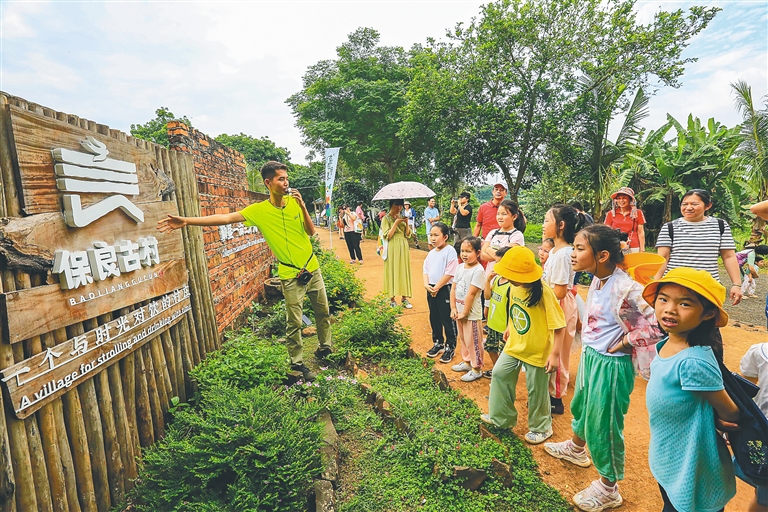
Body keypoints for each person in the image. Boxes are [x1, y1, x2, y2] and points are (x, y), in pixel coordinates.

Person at [156, 161, 331, 381]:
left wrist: (303, 207)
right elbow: (225, 218)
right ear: (268, 183)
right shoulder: (258, 211)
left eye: (286, 178)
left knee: (323, 311)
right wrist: (187, 221)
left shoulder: (295, 203)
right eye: (281, 179)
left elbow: (311, 231)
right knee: (294, 322)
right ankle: (297, 364)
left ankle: (325, 348)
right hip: (290, 275)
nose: (286, 183)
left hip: (312, 267)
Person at [544, 225, 664, 512]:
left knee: (606, 423)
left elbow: (659, 323)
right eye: (573, 247)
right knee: (583, 407)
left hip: (611, 366)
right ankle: (576, 447)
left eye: (579, 248)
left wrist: (627, 341)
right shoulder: (599, 278)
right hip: (593, 357)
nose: (573, 254)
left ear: (603, 255)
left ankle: (609, 487)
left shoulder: (626, 287)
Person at [644, 268, 738, 512]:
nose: (670, 309)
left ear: (707, 313)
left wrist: (719, 419)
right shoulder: (669, 343)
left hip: (692, 463)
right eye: (663, 299)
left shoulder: (692, 362)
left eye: (684, 304)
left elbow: (731, 412)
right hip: (671, 455)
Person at [481, 246, 565, 445]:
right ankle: (501, 418)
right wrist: (510, 327)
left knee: (536, 389)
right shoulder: (512, 286)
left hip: (538, 349)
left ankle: (541, 427)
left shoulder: (544, 292)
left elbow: (559, 325)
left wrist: (554, 355)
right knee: (500, 373)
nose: (509, 279)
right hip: (515, 344)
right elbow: (513, 308)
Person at [654, 189, 743, 305]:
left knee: (707, 319)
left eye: (694, 204)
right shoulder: (670, 227)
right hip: (674, 284)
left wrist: (736, 284)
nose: (688, 208)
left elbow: (729, 257)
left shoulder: (720, 225)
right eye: (685, 204)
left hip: (707, 287)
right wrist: (655, 285)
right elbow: (662, 258)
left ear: (708, 206)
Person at [542, 204, 586, 415]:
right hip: (553, 304)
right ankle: (549, 393)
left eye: (546, 220)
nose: (543, 225)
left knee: (558, 352)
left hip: (558, 306)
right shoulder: (556, 251)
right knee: (550, 349)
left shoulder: (562, 255)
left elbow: (559, 291)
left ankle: (556, 397)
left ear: (560, 225)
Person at [450, 236, 485, 382]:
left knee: (474, 341)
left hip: (471, 314)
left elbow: (471, 293)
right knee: (464, 338)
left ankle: (476, 368)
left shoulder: (478, 271)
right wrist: (453, 308)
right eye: (462, 251)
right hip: (459, 311)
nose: (464, 254)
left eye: (468, 251)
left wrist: (465, 312)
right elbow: (453, 288)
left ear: (477, 253)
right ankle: (467, 362)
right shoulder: (459, 267)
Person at [424, 222, 459, 364]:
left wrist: (437, 287)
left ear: (445, 237)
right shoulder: (431, 253)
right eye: (431, 235)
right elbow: (425, 270)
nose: (432, 238)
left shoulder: (450, 251)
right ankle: (438, 342)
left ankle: (450, 346)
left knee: (447, 318)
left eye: (436, 235)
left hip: (445, 289)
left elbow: (450, 273)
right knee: (434, 316)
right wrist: (427, 285)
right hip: (431, 288)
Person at [740, 341, 768, 512]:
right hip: (762, 432)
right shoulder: (759, 352)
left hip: (761, 429)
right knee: (764, 490)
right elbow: (745, 392)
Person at [483, 246, 513, 378]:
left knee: (503, 353)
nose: (497, 266)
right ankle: (496, 370)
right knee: (490, 348)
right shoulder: (496, 279)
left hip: (503, 327)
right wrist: (488, 280)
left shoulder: (512, 285)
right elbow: (487, 296)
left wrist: (509, 326)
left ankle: (502, 375)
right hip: (493, 324)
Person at [381, 199, 413, 309]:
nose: (399, 207)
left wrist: (406, 223)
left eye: (401, 205)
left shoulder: (402, 217)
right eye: (397, 205)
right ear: (391, 205)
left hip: (403, 245)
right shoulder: (386, 218)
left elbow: (408, 234)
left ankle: (404, 297)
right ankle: (392, 299)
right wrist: (396, 223)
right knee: (392, 270)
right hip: (392, 246)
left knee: (404, 270)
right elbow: (388, 236)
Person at [480, 199, 526, 275]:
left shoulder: (517, 235)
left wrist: (488, 249)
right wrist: (497, 255)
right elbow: (483, 256)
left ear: (514, 217)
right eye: (498, 214)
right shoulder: (492, 233)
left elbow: (503, 258)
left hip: (506, 279)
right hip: (489, 278)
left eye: (504, 214)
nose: (500, 217)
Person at [603, 187, 646, 253]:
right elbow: (606, 232)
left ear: (630, 200)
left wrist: (642, 249)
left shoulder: (637, 213)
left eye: (624, 198)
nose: (621, 200)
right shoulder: (610, 214)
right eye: (619, 198)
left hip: (633, 246)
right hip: (616, 246)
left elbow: (640, 232)